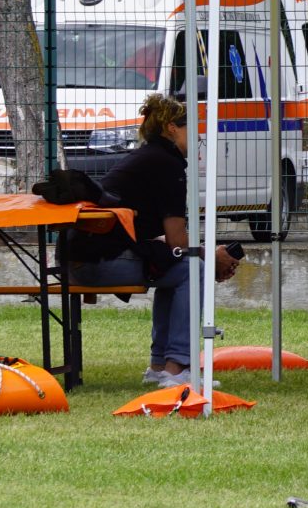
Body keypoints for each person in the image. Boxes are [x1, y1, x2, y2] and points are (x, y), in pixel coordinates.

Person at [68, 93, 241, 389]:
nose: (199, 138)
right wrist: (212, 256)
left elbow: (161, 239)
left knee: (174, 269)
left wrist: (204, 253)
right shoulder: (166, 164)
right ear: (172, 128)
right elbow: (176, 240)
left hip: (82, 259)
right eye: (194, 131)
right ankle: (177, 367)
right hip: (95, 264)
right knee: (192, 269)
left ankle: (161, 365)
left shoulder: (148, 157)